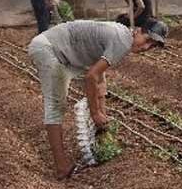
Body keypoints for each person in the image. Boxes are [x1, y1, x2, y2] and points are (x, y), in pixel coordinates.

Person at [28, 19, 168, 179]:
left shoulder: (122, 34)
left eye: (152, 46)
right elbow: (90, 77)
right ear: (138, 30)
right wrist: (95, 114)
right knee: (56, 106)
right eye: (147, 40)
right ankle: (62, 168)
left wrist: (103, 118)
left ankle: (97, 137)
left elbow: (99, 78)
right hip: (49, 49)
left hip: (62, 51)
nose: (146, 47)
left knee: (99, 85)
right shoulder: (122, 42)